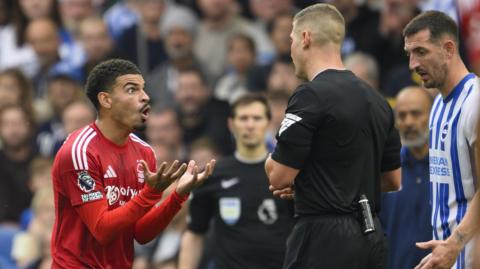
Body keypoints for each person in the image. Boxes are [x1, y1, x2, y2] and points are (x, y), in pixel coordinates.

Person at [264, 4, 402, 269]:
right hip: (372, 236)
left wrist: (270, 160)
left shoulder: (309, 95)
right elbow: (392, 180)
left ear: (305, 38)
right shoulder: (378, 100)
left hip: (324, 238)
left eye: (291, 40)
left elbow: (278, 176)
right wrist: (320, 183)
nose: (290, 50)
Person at [50, 58, 215, 268]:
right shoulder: (80, 151)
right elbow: (102, 230)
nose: (145, 97)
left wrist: (177, 196)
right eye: (131, 90)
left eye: (143, 89)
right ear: (106, 100)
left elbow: (140, 233)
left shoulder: (144, 152)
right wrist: (152, 193)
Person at [179, 93, 294, 269]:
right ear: (231, 124)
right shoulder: (214, 174)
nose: (250, 125)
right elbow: (194, 233)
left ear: (268, 123)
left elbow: (303, 229)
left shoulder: (285, 173)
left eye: (256, 118)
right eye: (243, 118)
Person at [402, 11, 479, 269]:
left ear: (448, 49)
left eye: (421, 52)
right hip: (446, 254)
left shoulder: (474, 102)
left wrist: (455, 244)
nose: (412, 64)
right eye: (409, 54)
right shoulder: (436, 105)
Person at [379, 86, 433, 269]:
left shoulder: (447, 167)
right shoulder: (386, 170)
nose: (408, 122)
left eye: (416, 114)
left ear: (433, 116)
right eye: (401, 116)